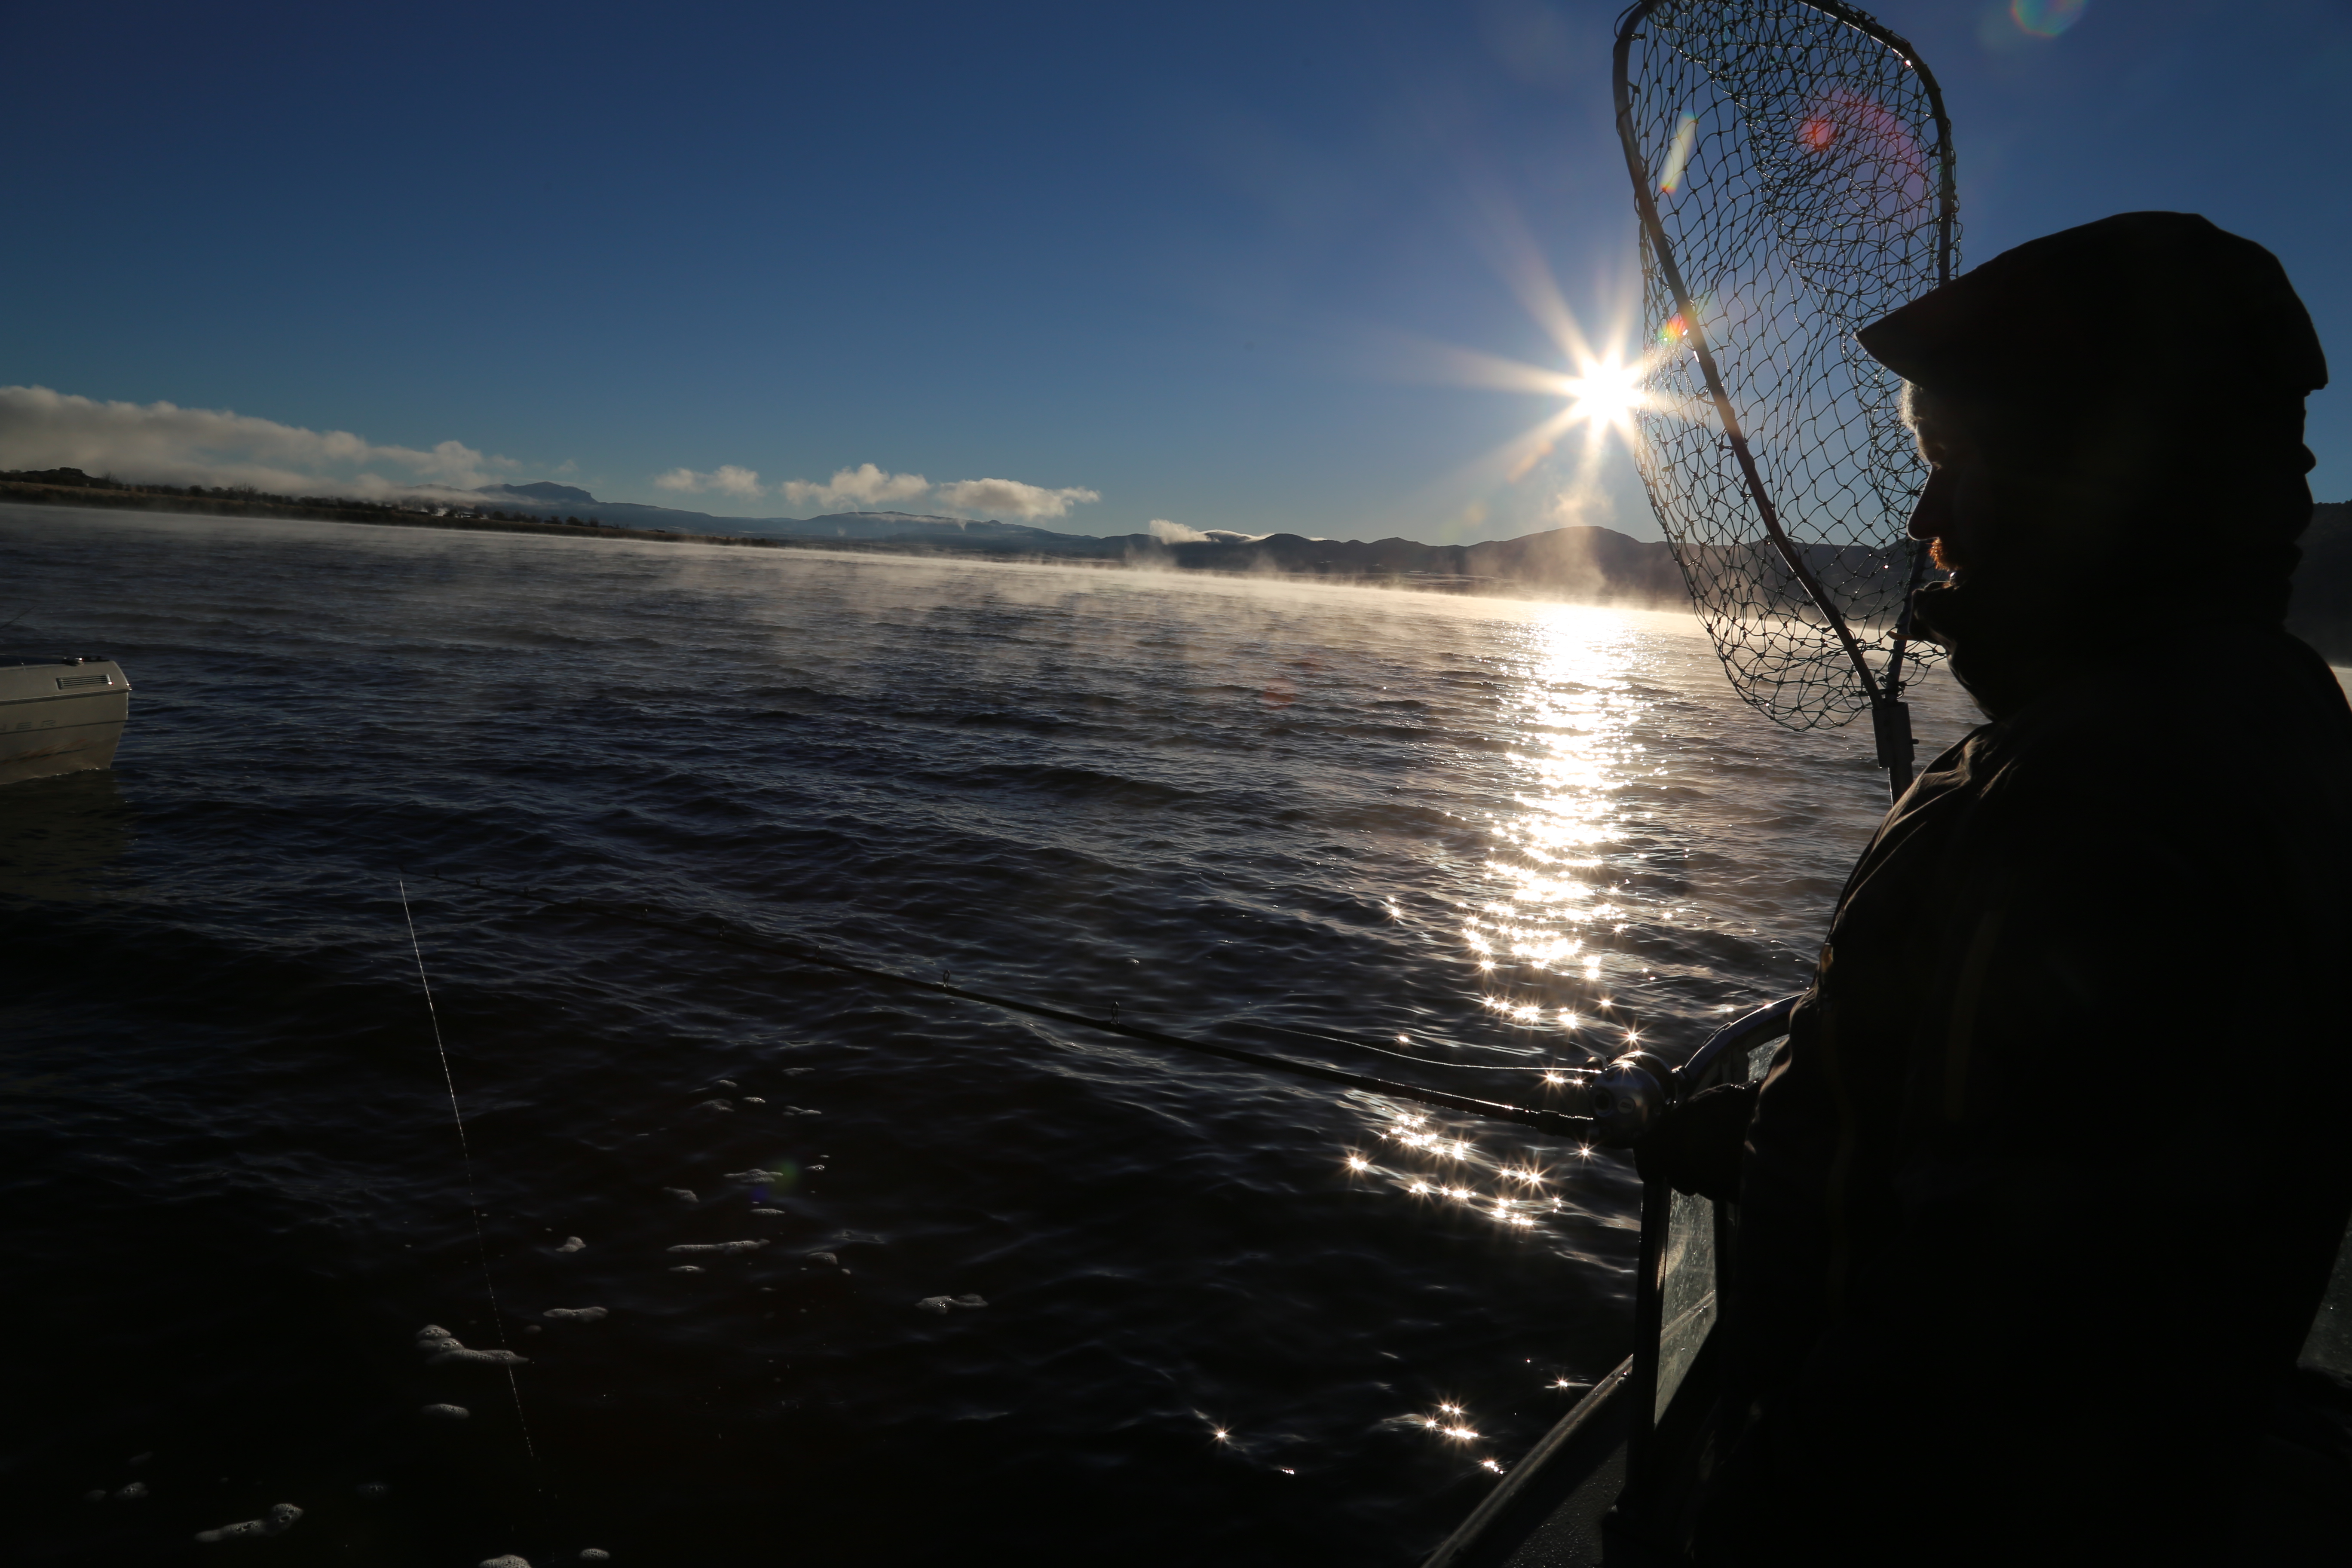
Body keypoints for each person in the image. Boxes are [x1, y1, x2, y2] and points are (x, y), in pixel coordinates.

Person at [1634, 212, 2352, 1565]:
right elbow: (2085, 1161)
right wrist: (1786, 1141)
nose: (1925, 520)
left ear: (2114, 480)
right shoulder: (2267, 723)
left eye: (1961, 463)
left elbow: (1986, 1351)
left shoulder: (2110, 803)